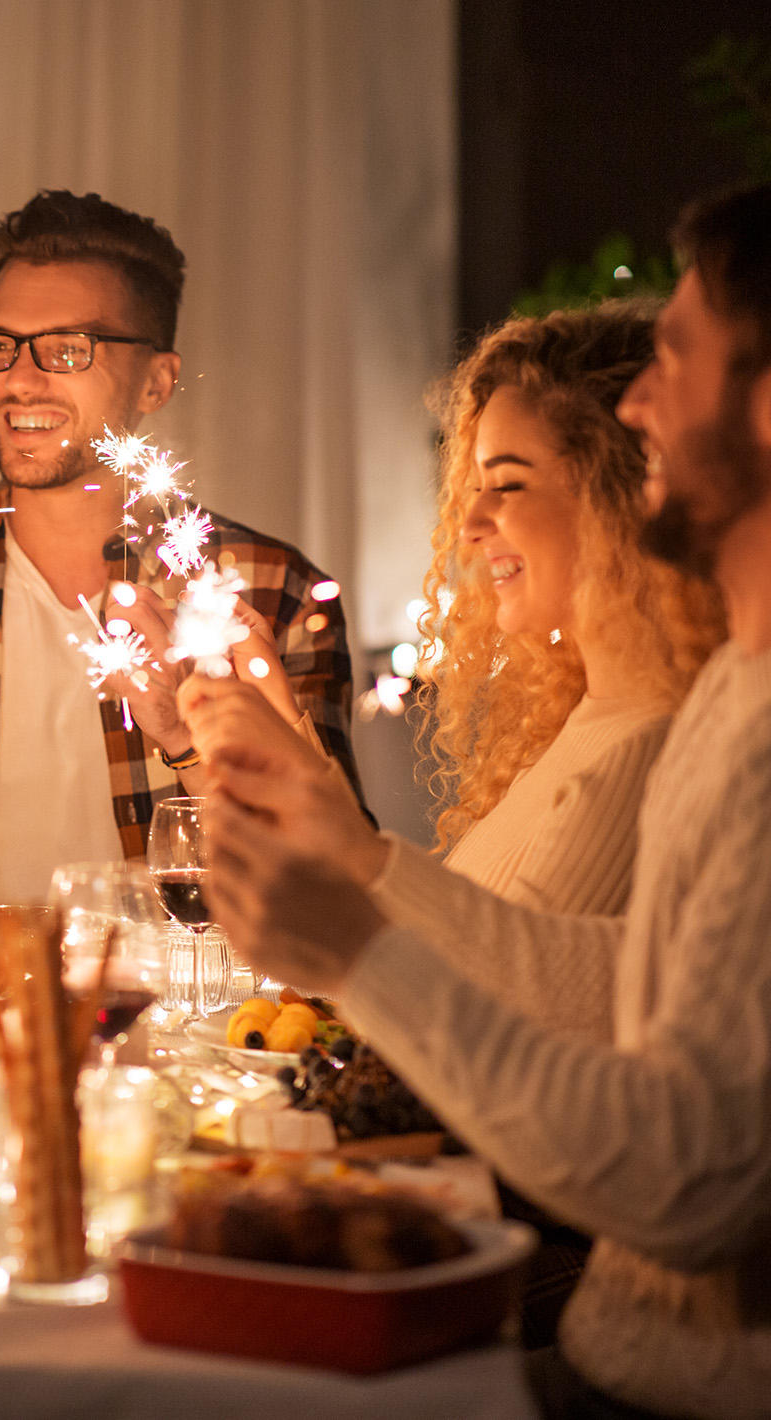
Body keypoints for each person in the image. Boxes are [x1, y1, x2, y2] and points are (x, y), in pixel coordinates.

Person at [197, 181, 771, 1420]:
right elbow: (618, 984)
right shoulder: (737, 687)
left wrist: (356, 952)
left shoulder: (743, 731)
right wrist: (357, 859)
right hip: (606, 1354)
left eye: (669, 361)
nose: (634, 403)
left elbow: (692, 1183)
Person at [0, 189, 357, 897]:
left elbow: (333, 886)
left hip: (192, 1007)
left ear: (156, 381)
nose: (18, 380)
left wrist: (192, 739)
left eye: (67, 350)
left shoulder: (264, 590)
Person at [184, 303, 725, 1040]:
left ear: (619, 495)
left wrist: (307, 787)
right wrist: (283, 732)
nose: (470, 526)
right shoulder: (583, 727)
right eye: (472, 489)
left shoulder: (654, 748)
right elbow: (433, 941)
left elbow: (477, 1004)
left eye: (508, 484)